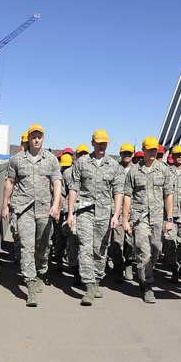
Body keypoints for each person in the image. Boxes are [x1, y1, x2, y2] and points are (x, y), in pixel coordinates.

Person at [0, 124, 61, 307]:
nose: (36, 140)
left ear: (43, 138)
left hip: (44, 210)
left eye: (39, 137)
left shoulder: (51, 160)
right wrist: (5, 206)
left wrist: (56, 205)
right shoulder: (17, 159)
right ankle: (30, 285)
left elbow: (57, 183)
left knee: (42, 246)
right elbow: (10, 182)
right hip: (23, 209)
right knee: (27, 246)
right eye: (33, 137)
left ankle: (40, 272)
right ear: (28, 138)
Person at [65, 129, 125, 306]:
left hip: (104, 213)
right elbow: (73, 189)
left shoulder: (113, 165)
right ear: (92, 143)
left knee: (100, 249)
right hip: (84, 211)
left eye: (104, 143)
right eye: (98, 143)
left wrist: (116, 215)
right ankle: (89, 286)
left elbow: (118, 192)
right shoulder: (82, 162)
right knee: (85, 248)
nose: (101, 146)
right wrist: (70, 213)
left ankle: (97, 279)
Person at [122, 137, 175, 303]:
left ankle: (145, 274)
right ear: (143, 150)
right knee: (144, 251)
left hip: (158, 218)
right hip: (140, 218)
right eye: (150, 149)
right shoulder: (134, 171)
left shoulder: (164, 170)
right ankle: (148, 285)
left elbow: (169, 195)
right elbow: (127, 196)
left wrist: (169, 218)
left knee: (156, 251)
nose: (153, 152)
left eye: (155, 150)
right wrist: (125, 219)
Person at [110, 142, 137, 281]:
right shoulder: (114, 169)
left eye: (129, 153)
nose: (127, 155)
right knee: (117, 242)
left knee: (132, 242)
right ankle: (118, 266)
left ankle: (129, 263)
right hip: (118, 212)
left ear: (133, 154)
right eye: (124, 153)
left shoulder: (138, 170)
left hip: (134, 212)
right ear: (120, 154)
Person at [165, 145, 181, 283]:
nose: (180, 157)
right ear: (173, 156)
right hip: (168, 214)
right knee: (169, 244)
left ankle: (179, 262)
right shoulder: (166, 172)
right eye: (178, 155)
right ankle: (174, 269)